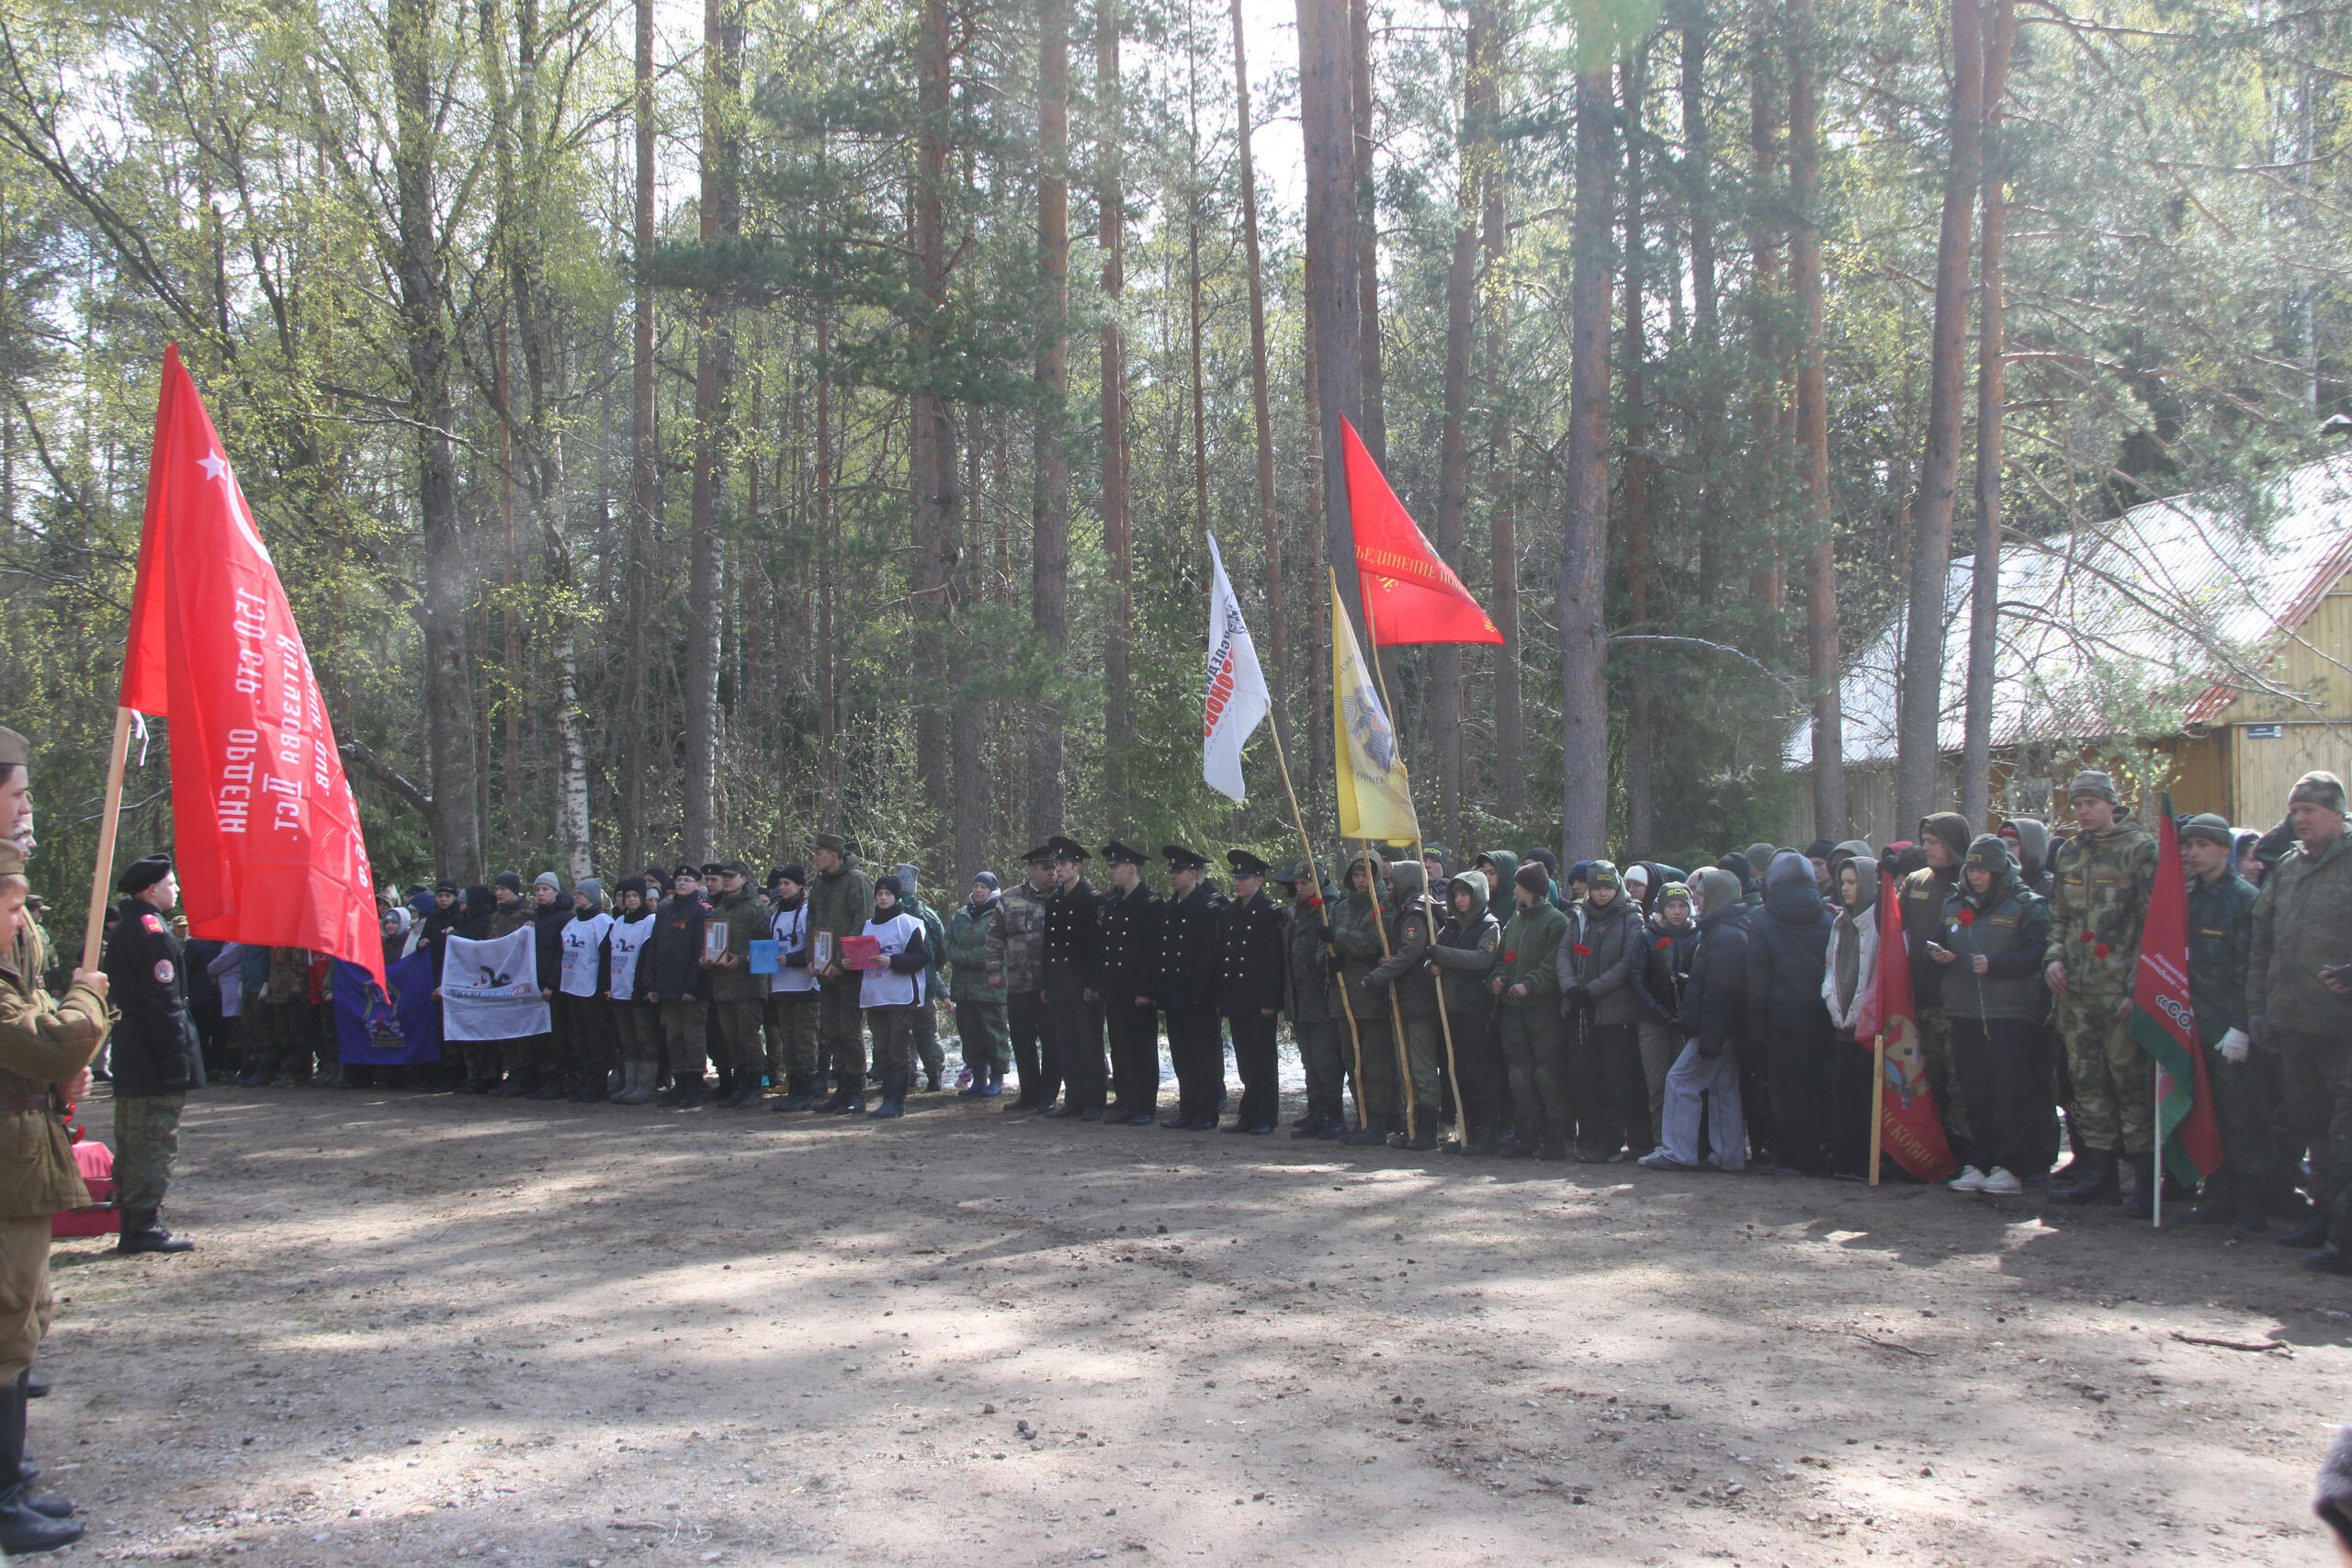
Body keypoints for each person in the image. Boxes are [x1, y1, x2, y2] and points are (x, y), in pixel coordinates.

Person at [0, 838, 105, 1551]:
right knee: (8, 1320)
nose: (20, 919)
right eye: (10, 905)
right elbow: (51, 1038)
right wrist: (88, 994)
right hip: (10, 1161)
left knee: (24, 1314)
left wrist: (64, 1074)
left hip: (24, 1153)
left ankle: (13, 1481)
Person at [2248, 771, 2352, 1272]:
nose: (2300, 818)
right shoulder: (2287, 867)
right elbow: (2261, 944)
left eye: (2310, 810)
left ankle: (2345, 1239)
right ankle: (2325, 1217)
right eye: (2295, 810)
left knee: (2346, 1131)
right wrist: (2257, 1009)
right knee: (2315, 1131)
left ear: (2337, 813)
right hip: (2295, 1023)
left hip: (2343, 1028)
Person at [2042, 771, 2160, 1212]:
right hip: (2075, 993)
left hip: (2120, 994)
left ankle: (2146, 1182)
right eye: (2076, 804)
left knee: (2130, 1086)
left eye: (2091, 802)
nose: (2083, 811)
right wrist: (2053, 958)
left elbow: (2153, 928)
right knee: (2087, 1086)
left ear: (2112, 804)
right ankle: (2099, 1175)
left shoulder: (2140, 850)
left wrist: (2138, 989)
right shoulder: (2070, 853)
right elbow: (2057, 916)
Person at [1930, 834, 2052, 1197]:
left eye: (1984, 870)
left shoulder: (2027, 905)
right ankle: (1979, 1161)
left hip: (2011, 1015)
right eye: (1972, 869)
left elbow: (2039, 953)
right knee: (1974, 1091)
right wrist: (1934, 953)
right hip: (1964, 1010)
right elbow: (1936, 939)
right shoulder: (1953, 903)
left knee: (2009, 1090)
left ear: (1999, 871)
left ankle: (2010, 1164)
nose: (1976, 876)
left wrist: (1998, 964)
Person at [100, 852, 201, 1254]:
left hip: (133, 1051)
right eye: (171, 882)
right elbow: (164, 1003)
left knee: (132, 1136)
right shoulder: (152, 931)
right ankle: (142, 1225)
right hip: (151, 1055)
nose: (176, 888)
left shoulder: (129, 927)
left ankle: (133, 1220)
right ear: (151, 889)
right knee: (153, 1139)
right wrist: (177, 1060)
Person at [2177, 813, 2267, 1230]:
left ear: (2222, 850)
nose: (2191, 853)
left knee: (2241, 1117)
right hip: (2192, 1023)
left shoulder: (2245, 899)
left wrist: (2241, 1025)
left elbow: (2250, 968)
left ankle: (2251, 1205)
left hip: (2228, 1028)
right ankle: (2216, 1192)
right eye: (2187, 845)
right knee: (2206, 1111)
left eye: (2202, 845)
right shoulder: (2185, 896)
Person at [1642, 866, 1750, 1172]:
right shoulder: (1725, 929)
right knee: (1723, 1087)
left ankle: (1678, 1151)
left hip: (1715, 1029)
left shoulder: (1725, 935)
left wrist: (1709, 1037)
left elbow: (1723, 993)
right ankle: (1729, 1155)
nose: (1696, 901)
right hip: (1722, 1028)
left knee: (1679, 1081)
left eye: (1700, 895)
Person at [1747, 849, 1838, 1176]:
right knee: (1820, 1087)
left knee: (1788, 1092)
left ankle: (1798, 1157)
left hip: (1782, 1021)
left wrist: (1756, 1025)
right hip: (1822, 1018)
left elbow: (1757, 981)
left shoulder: (1763, 918)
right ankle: (1823, 1152)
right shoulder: (1828, 917)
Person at [1896, 814, 1973, 1172]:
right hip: (1920, 1003)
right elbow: (1892, 922)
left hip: (1959, 1006)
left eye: (1934, 841)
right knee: (1929, 1084)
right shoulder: (1915, 881)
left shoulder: (1971, 880)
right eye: (1924, 840)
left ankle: (1966, 1155)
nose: (1925, 847)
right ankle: (1931, 1155)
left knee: (1962, 1085)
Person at [1558, 861, 1648, 1163]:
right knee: (1583, 1078)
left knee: (1614, 1080)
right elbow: (1563, 953)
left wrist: (1592, 990)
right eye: (1597, 887)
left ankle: (1611, 1141)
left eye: (1608, 887)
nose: (1602, 893)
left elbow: (1627, 962)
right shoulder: (1578, 915)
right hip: (1580, 1011)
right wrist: (1571, 987)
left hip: (1614, 1014)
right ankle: (1589, 1137)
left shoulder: (1631, 916)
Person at [1492, 862, 1569, 1158]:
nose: (1514, 891)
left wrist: (1529, 984)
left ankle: (1555, 1140)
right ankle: (1527, 1137)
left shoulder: (1557, 922)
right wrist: (1497, 979)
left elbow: (1553, 965)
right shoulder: (1514, 923)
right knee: (1519, 1076)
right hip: (1513, 1012)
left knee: (1546, 1075)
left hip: (1542, 1013)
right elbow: (1502, 959)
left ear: (1530, 890)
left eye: (1518, 886)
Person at [1366, 859, 1442, 1151]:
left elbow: (1411, 952)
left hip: (1418, 1000)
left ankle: (1426, 1131)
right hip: (1407, 998)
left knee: (1421, 1067)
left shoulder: (1416, 912)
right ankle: (1412, 1126)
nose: (1388, 887)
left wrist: (1378, 975)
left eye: (1392, 881)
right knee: (1406, 1065)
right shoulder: (1406, 910)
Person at [1426, 870, 1501, 1154]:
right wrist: (1432, 964)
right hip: (1451, 1009)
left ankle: (1485, 1132)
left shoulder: (1489, 926)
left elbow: (1482, 959)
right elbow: (1435, 955)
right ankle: (1466, 1130)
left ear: (1478, 896)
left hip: (1476, 1009)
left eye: (1465, 895)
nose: (1458, 901)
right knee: (1457, 1073)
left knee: (1479, 1073)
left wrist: (1441, 956)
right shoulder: (1451, 926)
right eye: (1455, 895)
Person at [1329, 852, 1397, 1145]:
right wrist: (1326, 959)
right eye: (1356, 876)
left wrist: (1339, 938)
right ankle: (1362, 1116)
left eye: (1367, 876)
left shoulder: (1384, 907)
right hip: (1343, 998)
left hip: (1372, 996)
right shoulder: (1340, 908)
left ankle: (1379, 1121)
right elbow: (1326, 943)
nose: (1361, 881)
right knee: (1351, 1060)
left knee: (1375, 1063)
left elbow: (1373, 943)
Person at [1215, 851, 1285, 1134]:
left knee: (1263, 1059)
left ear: (1259, 880)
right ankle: (1248, 1112)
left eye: (1244, 878)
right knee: (1245, 1058)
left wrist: (1270, 1001)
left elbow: (1273, 962)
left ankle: (1266, 1115)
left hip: (1259, 999)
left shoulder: (1270, 912)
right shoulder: (1230, 913)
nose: (1238, 883)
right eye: (1236, 877)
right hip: (1237, 997)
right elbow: (1224, 958)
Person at [1274, 861, 1345, 1139]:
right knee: (1309, 1061)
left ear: (1319, 882)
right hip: (1299, 998)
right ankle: (1316, 1111)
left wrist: (1328, 959)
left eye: (1305, 883)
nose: (1299, 888)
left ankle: (1335, 1115)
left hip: (1322, 998)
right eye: (1298, 884)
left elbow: (1328, 949)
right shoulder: (1298, 911)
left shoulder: (1329, 910)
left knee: (1326, 1060)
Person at [1157, 845, 1225, 1130]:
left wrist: (1209, 993)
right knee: (1182, 1055)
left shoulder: (1209, 907)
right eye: (1171, 870)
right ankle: (1188, 1107)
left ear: (1194, 874)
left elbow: (1214, 956)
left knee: (1203, 1055)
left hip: (1201, 996)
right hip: (1176, 994)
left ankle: (1206, 1110)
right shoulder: (1171, 906)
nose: (1173, 875)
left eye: (1179, 871)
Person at [1095, 843, 1163, 1125]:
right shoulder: (1112, 902)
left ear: (1131, 868)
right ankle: (1126, 1100)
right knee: (1121, 1046)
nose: (1111, 872)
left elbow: (1153, 951)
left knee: (1142, 1046)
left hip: (1138, 990)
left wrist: (1147, 990)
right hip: (1116, 988)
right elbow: (1105, 947)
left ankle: (1145, 1104)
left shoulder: (1150, 902)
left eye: (1116, 867)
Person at [1041, 838, 1107, 1120]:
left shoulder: (1093, 899)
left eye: (1064, 864)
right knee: (1065, 1043)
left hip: (1083, 985)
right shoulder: (1055, 900)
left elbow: (1097, 946)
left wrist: (1094, 984)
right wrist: (1046, 982)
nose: (1058, 870)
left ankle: (1094, 1100)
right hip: (1060, 984)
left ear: (1078, 866)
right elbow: (1048, 945)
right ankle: (1074, 1098)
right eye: (1056, 865)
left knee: (1088, 1043)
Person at [807, 835, 875, 1112]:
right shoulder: (819, 885)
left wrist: (840, 960)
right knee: (831, 1030)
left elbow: (863, 923)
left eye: (819, 852)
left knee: (850, 1030)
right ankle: (842, 1088)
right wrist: (814, 959)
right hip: (825, 971)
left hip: (849, 970)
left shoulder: (857, 881)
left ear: (834, 854)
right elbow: (812, 923)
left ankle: (856, 1089)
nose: (816, 857)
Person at [1822, 856, 1882, 1163]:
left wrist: (1860, 1012)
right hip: (1842, 1021)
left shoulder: (1880, 923)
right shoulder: (1839, 922)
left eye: (1852, 882)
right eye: (1842, 882)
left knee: (1867, 1093)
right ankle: (1846, 1154)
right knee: (1844, 1093)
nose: (1845, 888)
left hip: (1871, 1025)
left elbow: (1875, 975)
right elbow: (1832, 968)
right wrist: (1834, 1005)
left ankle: (1865, 1157)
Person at [989, 847, 1057, 1111]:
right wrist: (994, 969)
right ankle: (1028, 1094)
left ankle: (1048, 1094)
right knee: (1022, 1040)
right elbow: (995, 936)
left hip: (1049, 984)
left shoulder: (1061, 897)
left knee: (1052, 1041)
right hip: (1018, 982)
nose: (1052, 873)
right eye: (1046, 868)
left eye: (1054, 868)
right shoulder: (1010, 897)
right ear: (1032, 870)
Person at [1633, 882, 1700, 1145]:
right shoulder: (1647, 935)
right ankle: (1661, 1141)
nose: (1677, 912)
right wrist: (1661, 1013)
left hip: (1686, 1021)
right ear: (1662, 907)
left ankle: (1686, 1142)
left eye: (1682, 906)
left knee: (1684, 1085)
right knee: (1657, 1085)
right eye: (1671, 906)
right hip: (1653, 1021)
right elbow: (1637, 980)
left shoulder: (1698, 935)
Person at [858, 875, 931, 1119]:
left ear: (896, 897)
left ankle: (896, 1101)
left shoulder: (909, 924)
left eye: (887, 894)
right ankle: (885, 1097)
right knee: (882, 1049)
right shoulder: (867, 926)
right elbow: (862, 957)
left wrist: (892, 961)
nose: (883, 898)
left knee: (898, 1049)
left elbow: (921, 958)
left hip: (900, 997)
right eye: (879, 894)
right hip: (874, 995)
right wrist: (851, 961)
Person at [702, 862, 772, 1108]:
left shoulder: (757, 909)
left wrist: (740, 961)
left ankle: (755, 1087)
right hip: (723, 987)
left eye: (732, 877)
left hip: (749, 988)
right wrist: (708, 959)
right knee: (731, 1039)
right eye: (725, 877)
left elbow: (766, 952)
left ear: (744, 879)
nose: (728, 881)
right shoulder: (719, 911)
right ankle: (740, 1085)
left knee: (749, 1038)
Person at [650, 866, 712, 1109]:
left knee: (693, 1035)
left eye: (687, 880)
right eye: (679, 880)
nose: (682, 883)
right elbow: (655, 948)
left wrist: (693, 987)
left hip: (692, 989)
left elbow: (701, 951)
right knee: (673, 1035)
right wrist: (652, 984)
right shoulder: (665, 911)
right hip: (667, 986)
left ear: (698, 884)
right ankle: (680, 1082)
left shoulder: (702, 912)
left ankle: (695, 1083)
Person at [944, 872, 1008, 1099]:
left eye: (983, 886)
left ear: (992, 890)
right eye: (975, 886)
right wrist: (959, 955)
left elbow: (995, 947)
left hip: (990, 989)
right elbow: (948, 943)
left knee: (994, 1035)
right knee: (970, 1036)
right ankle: (978, 1080)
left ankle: (997, 1079)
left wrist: (966, 957)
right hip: (964, 989)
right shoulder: (961, 915)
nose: (978, 890)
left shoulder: (1000, 913)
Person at [764, 866, 823, 1109]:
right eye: (780, 883)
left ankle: (807, 1088)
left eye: (787, 883)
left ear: (800, 886)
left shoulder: (809, 913)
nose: (783, 887)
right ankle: (794, 1086)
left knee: (805, 1039)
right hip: (781, 986)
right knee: (787, 1039)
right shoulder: (774, 914)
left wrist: (793, 959)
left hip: (805, 986)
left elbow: (814, 947)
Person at [892, 864, 950, 1092]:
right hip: (926, 983)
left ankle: (906, 1075)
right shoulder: (930, 915)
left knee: (900, 1033)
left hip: (897, 984)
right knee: (927, 1032)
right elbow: (942, 952)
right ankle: (934, 1076)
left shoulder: (889, 912)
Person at [556, 879, 615, 1101]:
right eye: (576, 893)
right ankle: (586, 1079)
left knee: (596, 1037)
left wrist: (603, 987)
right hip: (573, 987)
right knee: (580, 1037)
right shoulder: (572, 924)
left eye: (581, 894)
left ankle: (598, 1082)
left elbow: (606, 957)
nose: (576, 897)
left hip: (592, 989)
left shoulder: (602, 923)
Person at [604, 878, 662, 1104]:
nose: (631, 901)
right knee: (627, 1040)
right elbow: (609, 955)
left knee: (645, 1038)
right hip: (618, 990)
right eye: (627, 897)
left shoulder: (650, 921)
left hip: (638, 991)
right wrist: (607, 985)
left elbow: (649, 956)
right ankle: (630, 1083)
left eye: (635, 896)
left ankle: (646, 1085)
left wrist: (646, 986)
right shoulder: (618, 922)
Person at [526, 873, 570, 1100]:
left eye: (545, 889)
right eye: (537, 890)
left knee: (556, 1036)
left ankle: (558, 1080)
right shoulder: (535, 918)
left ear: (555, 891)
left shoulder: (564, 918)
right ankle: (543, 1080)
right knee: (539, 1037)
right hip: (535, 984)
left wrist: (552, 984)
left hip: (553, 987)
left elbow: (561, 954)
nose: (541, 894)